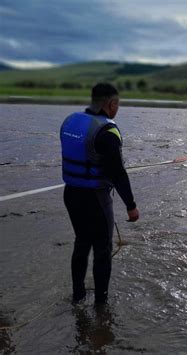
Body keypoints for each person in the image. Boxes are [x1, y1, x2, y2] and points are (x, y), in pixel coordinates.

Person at [61, 83, 139, 304]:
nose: (117, 109)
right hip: (95, 198)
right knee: (102, 250)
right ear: (111, 104)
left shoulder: (70, 121)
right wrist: (131, 206)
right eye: (117, 105)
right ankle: (101, 305)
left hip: (71, 194)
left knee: (81, 243)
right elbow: (118, 174)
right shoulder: (107, 131)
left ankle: (78, 296)